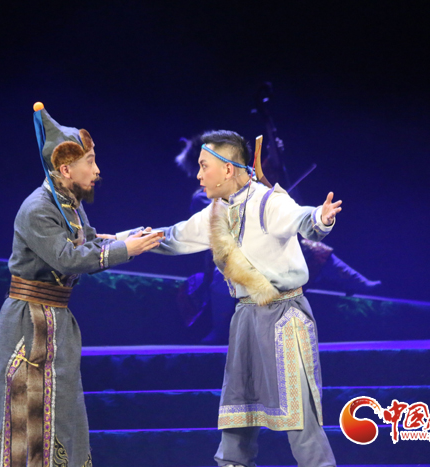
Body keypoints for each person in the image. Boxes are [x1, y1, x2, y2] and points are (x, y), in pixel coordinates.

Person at [136, 130, 339, 467]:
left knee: (299, 418)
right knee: (237, 416)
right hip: (245, 317)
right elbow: (173, 237)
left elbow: (302, 218)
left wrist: (321, 217)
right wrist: (121, 241)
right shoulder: (216, 212)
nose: (198, 175)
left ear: (228, 169)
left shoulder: (268, 201)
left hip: (284, 318)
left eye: (204, 166)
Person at [0, 103, 161, 467]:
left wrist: (127, 239)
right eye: (90, 162)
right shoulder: (38, 208)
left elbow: (87, 241)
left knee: (64, 411)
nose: (97, 171)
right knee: (30, 412)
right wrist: (125, 250)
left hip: (56, 318)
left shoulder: (67, 202)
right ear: (66, 169)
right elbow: (68, 258)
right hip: (31, 321)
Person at [175, 135, 380, 344]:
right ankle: (220, 331)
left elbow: (268, 176)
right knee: (223, 279)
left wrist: (274, 154)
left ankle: (356, 282)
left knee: (314, 250)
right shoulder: (203, 198)